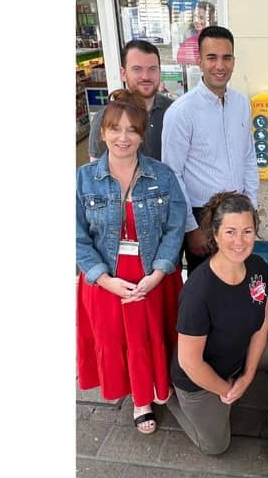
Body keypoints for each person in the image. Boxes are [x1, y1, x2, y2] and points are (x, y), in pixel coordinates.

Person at [76, 89, 187, 434]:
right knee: (119, 340)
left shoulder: (163, 175)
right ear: (103, 132)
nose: (123, 138)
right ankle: (140, 400)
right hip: (106, 277)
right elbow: (74, 235)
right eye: (115, 129)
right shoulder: (82, 178)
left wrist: (160, 272)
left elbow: (175, 224)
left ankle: (159, 388)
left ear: (142, 135)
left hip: (152, 273)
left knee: (153, 336)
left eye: (132, 130)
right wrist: (103, 278)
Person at [166, 192, 268, 454]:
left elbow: (262, 323)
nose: (239, 241)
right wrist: (227, 390)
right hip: (201, 380)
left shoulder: (258, 267)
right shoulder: (199, 291)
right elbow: (190, 362)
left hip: (238, 358)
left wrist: (247, 376)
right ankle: (170, 398)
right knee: (216, 447)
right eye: (230, 231)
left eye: (247, 231)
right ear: (215, 234)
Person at [162, 25, 259, 275]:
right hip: (201, 216)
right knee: (204, 289)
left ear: (234, 61)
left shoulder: (241, 103)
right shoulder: (181, 112)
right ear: (199, 61)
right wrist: (190, 228)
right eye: (211, 57)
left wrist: (253, 210)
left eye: (226, 57)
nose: (220, 65)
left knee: (238, 280)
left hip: (239, 210)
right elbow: (172, 174)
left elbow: (248, 158)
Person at [88, 40, 173, 162]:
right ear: (123, 73)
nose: (146, 76)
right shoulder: (105, 118)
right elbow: (95, 174)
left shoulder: (174, 111)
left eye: (152, 69)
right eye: (137, 69)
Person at [176, 0, 217, 65]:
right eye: (195, 17)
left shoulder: (216, 37)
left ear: (210, 19)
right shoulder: (188, 34)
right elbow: (182, 59)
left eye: (201, 18)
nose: (197, 21)